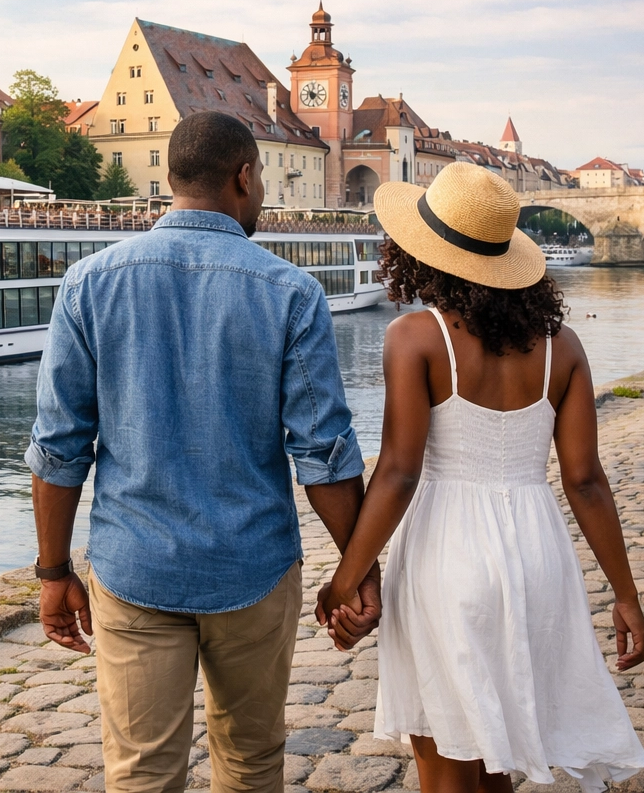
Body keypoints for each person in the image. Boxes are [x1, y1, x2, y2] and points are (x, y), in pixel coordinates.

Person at [27, 111, 380, 793]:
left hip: (136, 566)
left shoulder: (89, 284)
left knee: (140, 770)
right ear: (244, 177)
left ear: (169, 179)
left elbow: (59, 447)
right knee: (250, 760)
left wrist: (51, 571)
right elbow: (324, 453)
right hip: (253, 564)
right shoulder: (292, 293)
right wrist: (357, 568)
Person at [317, 163, 644, 793]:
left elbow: (397, 472)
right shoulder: (563, 346)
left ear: (423, 255)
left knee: (445, 766)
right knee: (501, 759)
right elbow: (585, 482)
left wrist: (346, 578)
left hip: (448, 554)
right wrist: (625, 595)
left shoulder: (415, 337)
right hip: (537, 553)